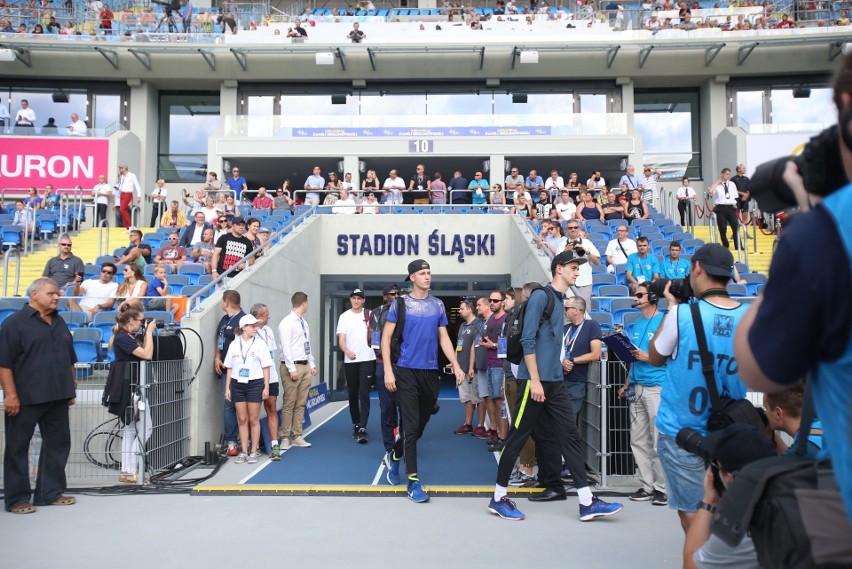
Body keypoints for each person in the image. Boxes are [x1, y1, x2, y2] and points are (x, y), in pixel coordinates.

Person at [487, 251, 622, 521]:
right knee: (517, 438)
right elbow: (527, 340)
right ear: (559, 268)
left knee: (569, 437)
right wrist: (535, 379)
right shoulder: (540, 297)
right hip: (534, 381)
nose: (577, 272)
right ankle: (499, 497)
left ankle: (587, 501)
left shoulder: (560, 301)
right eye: (573, 267)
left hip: (555, 382)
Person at [649, 243, 749, 534]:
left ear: (696, 269)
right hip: (729, 431)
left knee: (693, 517)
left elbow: (655, 357)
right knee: (727, 515)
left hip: (681, 431)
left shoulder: (681, 314)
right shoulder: (750, 317)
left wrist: (672, 307)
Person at [381, 259, 465, 503]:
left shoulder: (438, 305)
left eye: (429, 272)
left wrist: (457, 365)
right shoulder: (400, 304)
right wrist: (388, 370)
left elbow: (444, 339)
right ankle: (413, 481)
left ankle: (394, 456)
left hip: (430, 373)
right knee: (410, 424)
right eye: (422, 273)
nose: (427, 276)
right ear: (412, 278)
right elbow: (386, 339)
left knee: (417, 427)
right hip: (405, 371)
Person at [0, 277, 77, 514]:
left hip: (58, 396)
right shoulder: (14, 324)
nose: (57, 297)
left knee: (58, 443)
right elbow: (4, 364)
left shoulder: (59, 321)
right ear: (34, 295)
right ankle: (17, 499)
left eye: (58, 294)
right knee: (17, 448)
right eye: (52, 294)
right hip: (25, 398)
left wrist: (70, 388)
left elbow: (70, 359)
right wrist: (10, 395)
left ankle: (49, 493)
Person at [683, 424, 777, 569]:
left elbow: (691, 565)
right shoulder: (792, 494)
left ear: (730, 477)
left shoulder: (739, 528)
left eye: (716, 465)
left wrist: (709, 501)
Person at [618, 282, 667, 506]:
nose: (635, 298)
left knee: (657, 440)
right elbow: (633, 358)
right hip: (637, 387)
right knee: (638, 440)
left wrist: (648, 357)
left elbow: (671, 353)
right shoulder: (637, 323)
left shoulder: (665, 320)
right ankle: (647, 485)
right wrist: (628, 382)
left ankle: (662, 488)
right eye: (634, 294)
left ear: (653, 297)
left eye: (639, 295)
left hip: (657, 387)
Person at [106, 306, 157, 483]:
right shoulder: (122, 337)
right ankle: (133, 468)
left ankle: (128, 471)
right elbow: (147, 354)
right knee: (146, 428)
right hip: (131, 388)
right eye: (141, 320)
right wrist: (149, 332)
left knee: (130, 429)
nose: (143, 323)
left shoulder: (127, 337)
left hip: (134, 386)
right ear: (131, 321)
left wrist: (145, 334)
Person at [223, 314, 272, 464]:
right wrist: (227, 388)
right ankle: (244, 451)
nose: (255, 328)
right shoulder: (234, 345)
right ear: (244, 328)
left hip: (255, 384)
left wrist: (266, 386)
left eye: (256, 325)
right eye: (252, 326)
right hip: (237, 384)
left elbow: (266, 367)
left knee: (253, 419)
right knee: (242, 419)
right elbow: (230, 368)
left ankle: (254, 450)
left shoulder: (260, 344)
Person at [278, 292, 317, 450]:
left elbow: (306, 345)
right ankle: (285, 437)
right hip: (291, 367)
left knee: (301, 403)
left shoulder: (303, 323)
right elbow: (286, 348)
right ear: (304, 303)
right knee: (289, 403)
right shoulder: (287, 323)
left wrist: (312, 364)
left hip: (305, 365)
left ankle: (297, 435)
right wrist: (291, 369)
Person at [337, 288, 376, 444]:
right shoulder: (344, 317)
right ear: (350, 299)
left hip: (368, 359)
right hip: (351, 360)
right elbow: (341, 339)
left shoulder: (370, 314)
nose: (356, 301)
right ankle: (356, 423)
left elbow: (377, 335)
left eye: (359, 298)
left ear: (363, 300)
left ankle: (362, 428)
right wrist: (347, 351)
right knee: (353, 394)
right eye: (354, 298)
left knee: (364, 393)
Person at [560, 296, 602, 435]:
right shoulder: (564, 328)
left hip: (576, 381)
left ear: (577, 310)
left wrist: (571, 360)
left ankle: (567, 455)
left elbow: (595, 354)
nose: (565, 311)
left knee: (568, 421)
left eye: (567, 308)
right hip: (560, 380)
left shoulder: (592, 325)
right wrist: (562, 362)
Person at [368, 284, 402, 454]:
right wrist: (384, 354)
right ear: (384, 297)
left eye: (398, 293)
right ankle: (390, 448)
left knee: (406, 407)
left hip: (405, 366)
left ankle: (403, 442)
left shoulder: (408, 310)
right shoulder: (376, 313)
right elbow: (371, 339)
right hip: (384, 365)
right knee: (387, 408)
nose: (396, 295)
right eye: (392, 293)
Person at [213, 290, 244, 456]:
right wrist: (217, 358)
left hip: (240, 372)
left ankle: (245, 441)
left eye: (221, 301)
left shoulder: (243, 320)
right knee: (228, 404)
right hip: (225, 370)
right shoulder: (224, 320)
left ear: (226, 302)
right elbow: (219, 340)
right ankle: (231, 441)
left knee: (241, 405)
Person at [250, 303, 282, 460]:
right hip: (255, 378)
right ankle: (252, 448)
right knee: (252, 414)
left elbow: (272, 355)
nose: (269, 316)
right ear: (258, 317)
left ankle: (275, 445)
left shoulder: (269, 331)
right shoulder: (248, 332)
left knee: (272, 408)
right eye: (266, 314)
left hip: (272, 377)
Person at [762, 382, 823, 459]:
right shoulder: (819, 426)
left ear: (778, 413)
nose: (765, 414)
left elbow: (786, 463)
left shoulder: (802, 451)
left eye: (766, 408)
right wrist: (773, 436)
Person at [452, 299, 486, 436]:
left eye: (461, 309)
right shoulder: (462, 326)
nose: (459, 311)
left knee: (479, 398)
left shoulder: (478, 325)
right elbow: (458, 345)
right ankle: (468, 424)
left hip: (474, 368)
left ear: (469, 310)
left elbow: (476, 346)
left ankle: (481, 425)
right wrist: (454, 362)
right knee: (467, 397)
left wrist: (472, 366)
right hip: (462, 368)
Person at [211, 217, 254, 282]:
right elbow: (215, 255)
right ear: (233, 226)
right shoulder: (224, 238)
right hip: (222, 275)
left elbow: (252, 259)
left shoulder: (247, 242)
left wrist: (246, 264)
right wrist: (214, 271)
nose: (241, 227)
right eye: (238, 225)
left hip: (239, 277)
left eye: (243, 225)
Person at [708, 168, 739, 250]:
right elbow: (710, 191)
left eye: (729, 174)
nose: (728, 176)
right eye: (727, 174)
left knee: (735, 226)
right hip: (721, 207)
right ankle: (725, 245)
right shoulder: (717, 185)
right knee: (722, 227)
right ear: (722, 174)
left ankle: (738, 245)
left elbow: (735, 196)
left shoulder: (732, 184)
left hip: (730, 206)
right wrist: (717, 182)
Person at [116, 163, 142, 231]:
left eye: (121, 168)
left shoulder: (132, 175)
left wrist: (139, 196)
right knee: (122, 210)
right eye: (119, 168)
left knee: (122, 209)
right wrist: (118, 188)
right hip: (122, 193)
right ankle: (128, 227)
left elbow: (137, 186)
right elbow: (122, 186)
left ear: (125, 168)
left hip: (128, 193)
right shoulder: (122, 177)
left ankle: (131, 226)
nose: (120, 169)